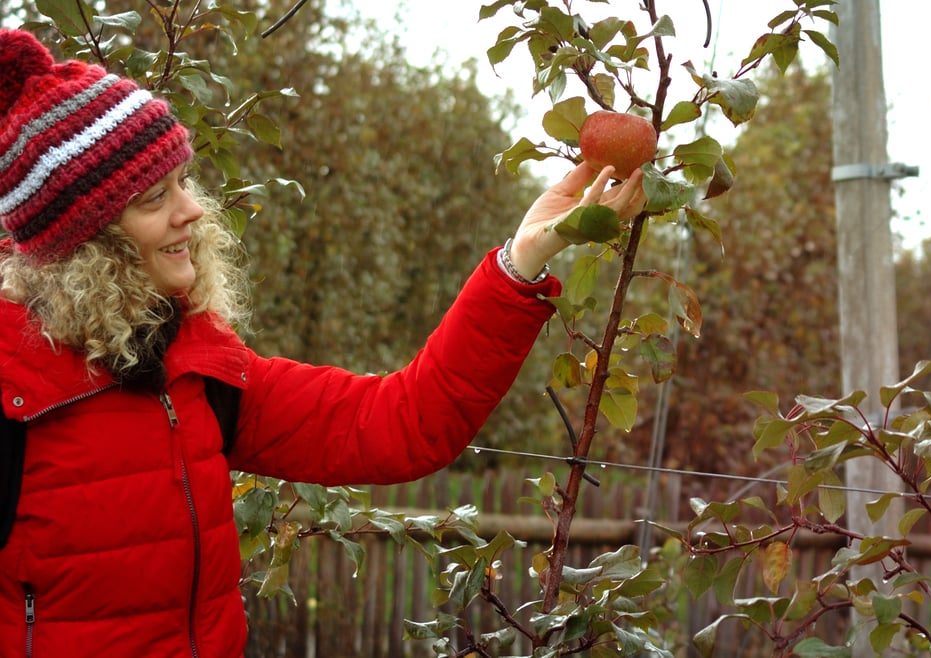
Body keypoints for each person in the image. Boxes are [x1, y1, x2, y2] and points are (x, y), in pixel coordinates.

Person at [0, 28, 645, 657]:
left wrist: (523, 258)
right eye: (152, 198)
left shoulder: (199, 375)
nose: (191, 210)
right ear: (87, 244)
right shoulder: (15, 397)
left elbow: (402, 423)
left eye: (182, 181)